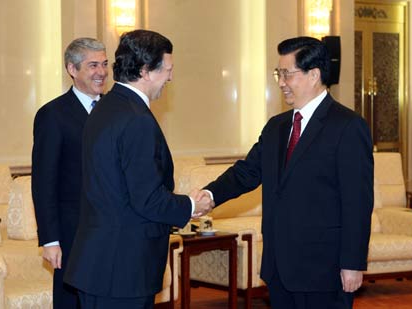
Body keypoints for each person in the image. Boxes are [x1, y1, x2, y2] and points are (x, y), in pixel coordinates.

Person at [192, 36, 374, 309]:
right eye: (279, 74)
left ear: (314, 75)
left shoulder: (348, 126)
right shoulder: (276, 127)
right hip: (279, 268)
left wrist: (353, 263)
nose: (280, 83)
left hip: (324, 270)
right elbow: (247, 171)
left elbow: (357, 202)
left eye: (287, 74)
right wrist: (209, 195)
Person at [63, 29, 213, 308]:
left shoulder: (105, 107)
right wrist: (191, 205)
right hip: (123, 268)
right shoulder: (136, 119)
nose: (170, 78)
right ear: (145, 70)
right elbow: (147, 199)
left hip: (100, 264)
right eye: (167, 70)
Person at [32, 37, 108, 308]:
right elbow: (44, 182)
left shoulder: (116, 110)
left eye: (104, 64)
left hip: (111, 230)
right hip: (71, 232)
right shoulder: (53, 115)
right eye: (93, 65)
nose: (101, 72)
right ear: (72, 69)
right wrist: (50, 239)